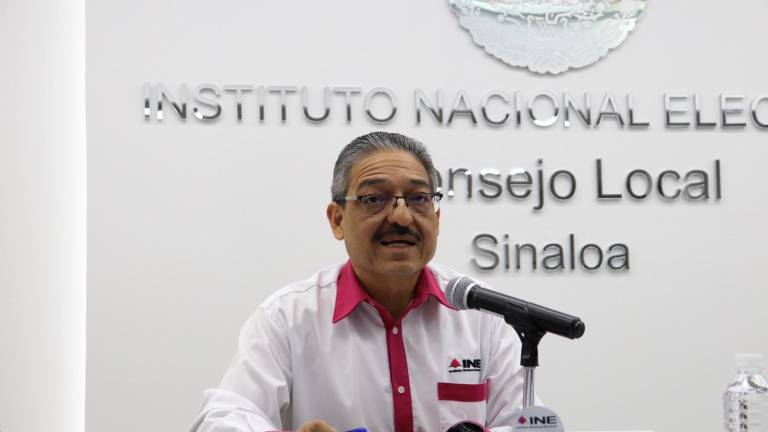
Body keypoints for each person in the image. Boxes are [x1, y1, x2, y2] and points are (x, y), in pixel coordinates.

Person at [190, 132, 528, 432]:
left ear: (436, 219)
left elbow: (524, 423)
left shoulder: (480, 315)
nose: (401, 217)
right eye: (374, 199)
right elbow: (220, 419)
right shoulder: (289, 318)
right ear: (337, 220)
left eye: (418, 199)